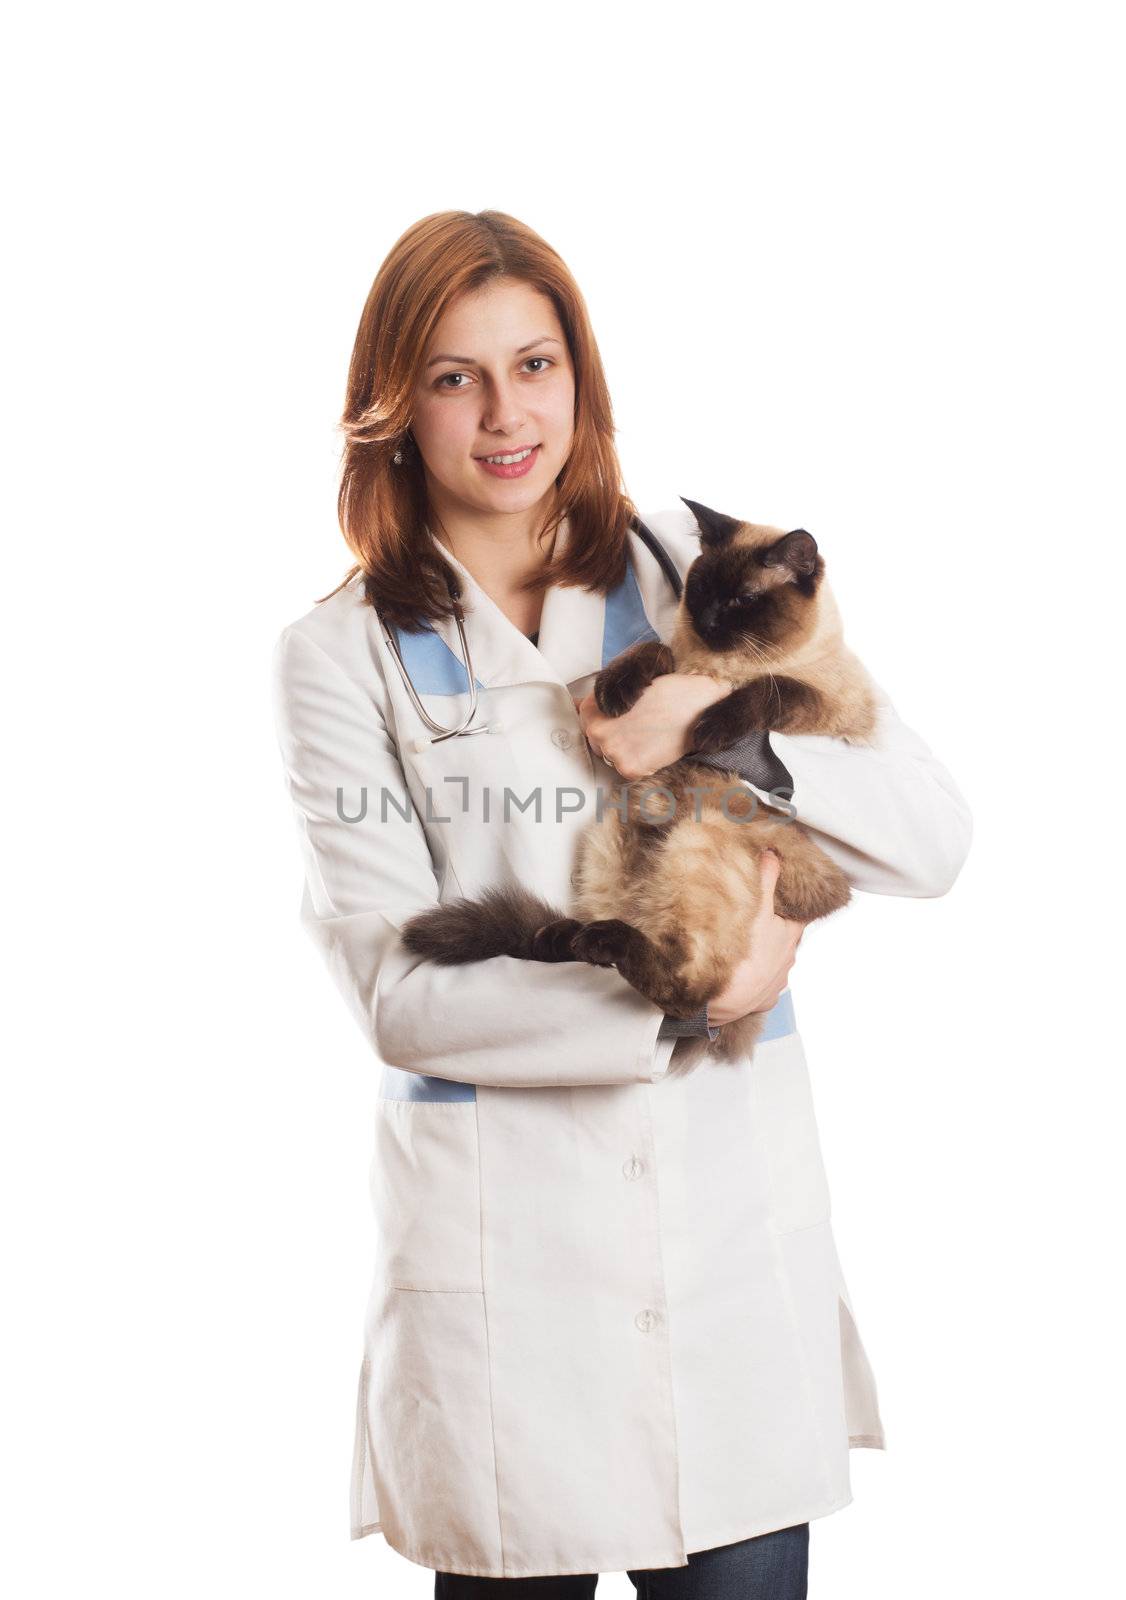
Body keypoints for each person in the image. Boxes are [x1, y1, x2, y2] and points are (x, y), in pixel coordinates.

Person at [270, 210, 972, 1598]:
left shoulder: (695, 566)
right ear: (394, 406)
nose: (502, 414)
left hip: (725, 1262)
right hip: (505, 1291)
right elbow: (399, 995)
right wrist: (701, 998)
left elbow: (929, 838)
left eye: (533, 364)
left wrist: (723, 727)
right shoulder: (337, 657)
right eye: (453, 376)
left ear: (579, 375)